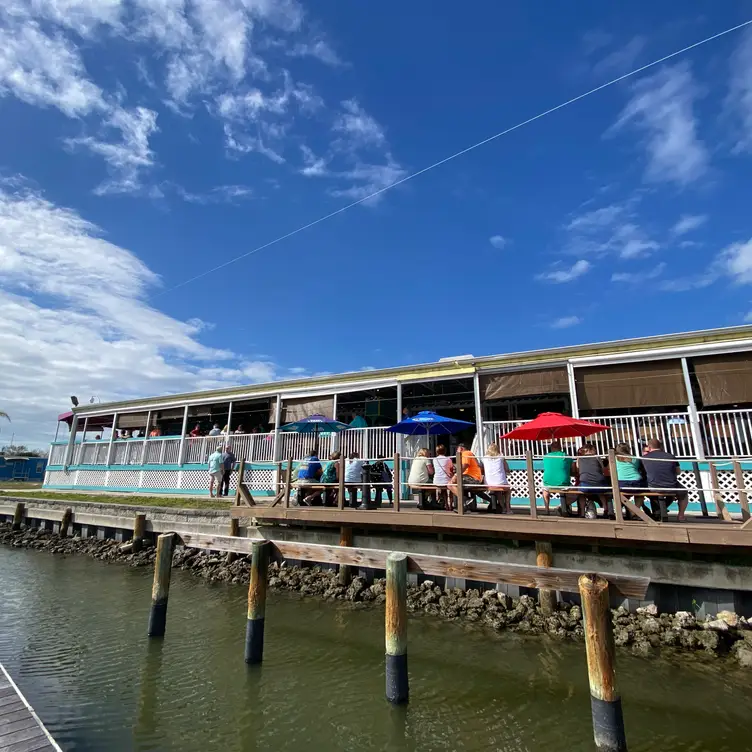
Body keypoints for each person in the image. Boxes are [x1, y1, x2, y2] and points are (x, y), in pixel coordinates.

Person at [642, 438, 688, 521]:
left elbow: (643, 473)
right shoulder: (671, 456)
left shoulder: (644, 458)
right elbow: (678, 472)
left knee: (646, 491)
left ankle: (657, 512)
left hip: (653, 486)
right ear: (661, 447)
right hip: (671, 486)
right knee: (684, 493)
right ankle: (681, 515)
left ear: (649, 447)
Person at [576, 444, 609, 520]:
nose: (595, 451)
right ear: (590, 450)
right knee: (602, 494)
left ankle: (582, 513)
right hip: (599, 483)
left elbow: (578, 469)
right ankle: (606, 510)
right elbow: (603, 468)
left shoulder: (580, 458)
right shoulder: (596, 457)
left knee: (581, 493)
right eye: (594, 449)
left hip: (585, 484)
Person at [448, 443, 483, 512]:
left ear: (461, 448)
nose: (456, 451)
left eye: (457, 449)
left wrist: (456, 475)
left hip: (473, 478)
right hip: (473, 477)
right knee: (453, 484)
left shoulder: (465, 453)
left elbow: (465, 465)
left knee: (451, 484)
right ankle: (464, 503)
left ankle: (464, 501)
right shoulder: (470, 453)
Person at [542, 440, 574, 516]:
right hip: (563, 483)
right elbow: (572, 470)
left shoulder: (546, 457)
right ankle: (561, 506)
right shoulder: (566, 456)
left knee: (544, 490)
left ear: (551, 448)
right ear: (561, 448)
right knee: (576, 494)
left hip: (548, 482)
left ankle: (547, 509)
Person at [483, 443, 511, 513]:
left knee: (498, 491)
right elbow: (507, 469)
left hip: (488, 483)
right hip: (500, 482)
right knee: (507, 491)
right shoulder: (501, 457)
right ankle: (507, 509)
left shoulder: (484, 458)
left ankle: (503, 508)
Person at [432, 445, 454, 510]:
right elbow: (451, 469)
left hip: (437, 480)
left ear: (436, 451)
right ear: (445, 451)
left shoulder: (434, 459)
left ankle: (446, 504)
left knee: (443, 490)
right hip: (446, 480)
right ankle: (450, 505)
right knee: (451, 487)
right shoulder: (448, 459)